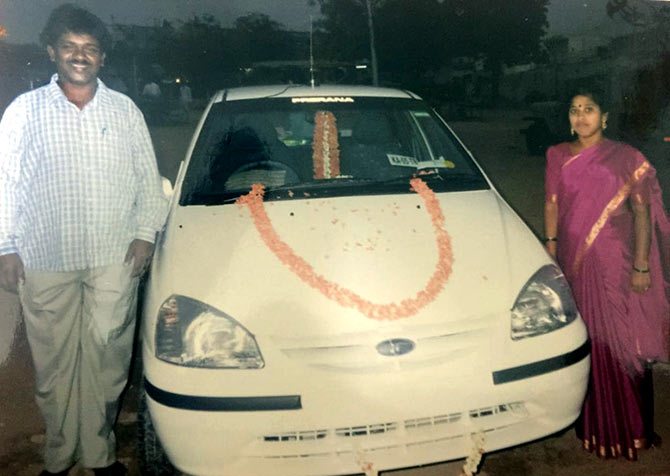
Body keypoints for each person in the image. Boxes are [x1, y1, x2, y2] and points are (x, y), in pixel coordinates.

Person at [0, 4, 168, 476]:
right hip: (45, 257)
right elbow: (5, 182)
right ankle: (59, 454)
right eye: (70, 47)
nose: (80, 56)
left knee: (107, 361)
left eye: (90, 49)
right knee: (54, 369)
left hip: (113, 257)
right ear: (52, 52)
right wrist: (5, 246)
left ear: (102, 58)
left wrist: (144, 236)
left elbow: (147, 181)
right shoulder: (23, 112)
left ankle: (99, 454)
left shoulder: (124, 110)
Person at [544, 88, 670, 460]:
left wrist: (642, 266)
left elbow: (643, 213)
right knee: (587, 341)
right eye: (574, 110)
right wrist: (551, 253)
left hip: (618, 263)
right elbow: (551, 205)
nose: (581, 116)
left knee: (622, 342)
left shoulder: (626, 157)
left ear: (605, 116)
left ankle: (635, 429)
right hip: (574, 263)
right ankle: (594, 427)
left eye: (589, 109)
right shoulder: (556, 156)